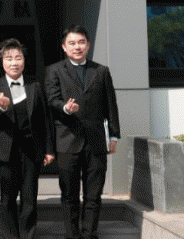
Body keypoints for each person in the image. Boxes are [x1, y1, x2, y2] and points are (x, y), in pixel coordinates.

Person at [45, 25, 120, 239]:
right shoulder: (54, 70)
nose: (77, 47)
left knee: (93, 194)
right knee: (69, 194)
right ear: (64, 47)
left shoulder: (101, 71)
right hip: (67, 140)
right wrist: (65, 108)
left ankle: (90, 234)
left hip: (96, 141)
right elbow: (52, 100)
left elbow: (110, 105)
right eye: (72, 43)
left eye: (81, 42)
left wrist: (113, 135)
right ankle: (72, 234)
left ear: (88, 45)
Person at [0, 38, 55, 239]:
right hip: (5, 150)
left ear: (24, 61)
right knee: (7, 197)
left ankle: (27, 234)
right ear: (1, 62)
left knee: (29, 196)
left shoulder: (35, 86)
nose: (14, 62)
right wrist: (0, 106)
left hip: (31, 150)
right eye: (9, 58)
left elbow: (45, 120)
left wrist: (49, 149)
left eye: (18, 58)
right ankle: (10, 235)